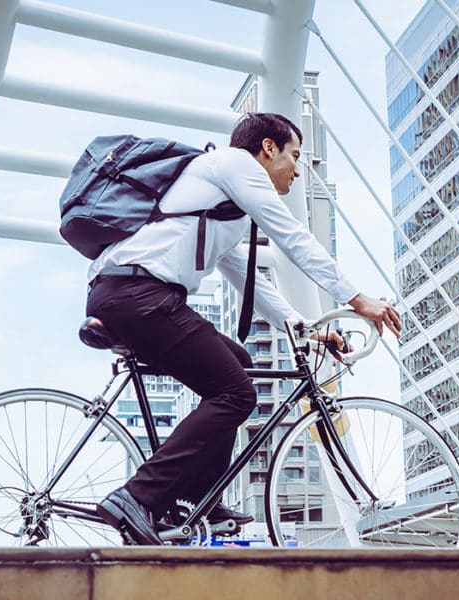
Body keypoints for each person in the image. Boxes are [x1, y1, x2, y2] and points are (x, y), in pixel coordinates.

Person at [90, 112, 402, 545]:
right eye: (295, 155)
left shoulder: (224, 208)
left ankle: (199, 499)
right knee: (236, 393)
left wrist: (306, 328)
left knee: (237, 363)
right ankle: (137, 496)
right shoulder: (235, 164)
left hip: (133, 294)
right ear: (268, 148)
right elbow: (293, 237)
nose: (298, 168)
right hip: (139, 294)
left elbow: (246, 277)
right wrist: (358, 299)